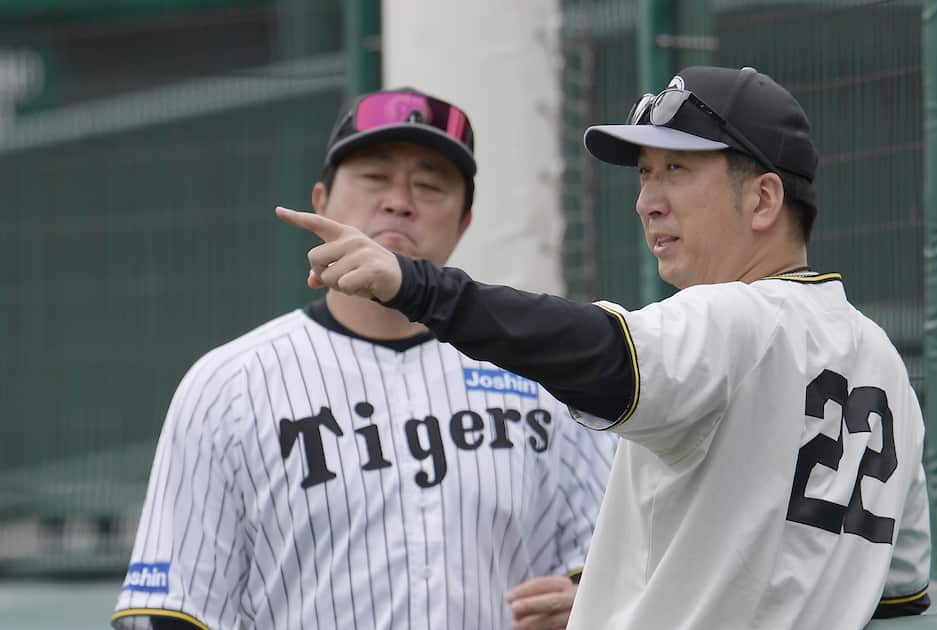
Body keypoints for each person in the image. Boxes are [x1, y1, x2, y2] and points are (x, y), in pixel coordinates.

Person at [278, 66, 931, 630]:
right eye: (645, 174)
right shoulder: (883, 367)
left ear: (763, 199)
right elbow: (897, 594)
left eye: (677, 169)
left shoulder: (731, 319)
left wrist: (416, 286)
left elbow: (599, 352)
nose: (648, 202)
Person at [113, 87, 615, 630]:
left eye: (430, 184)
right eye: (375, 176)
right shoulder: (230, 384)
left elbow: (617, 568)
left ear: (464, 221)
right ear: (321, 201)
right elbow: (178, 609)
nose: (399, 201)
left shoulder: (542, 378)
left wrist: (596, 607)